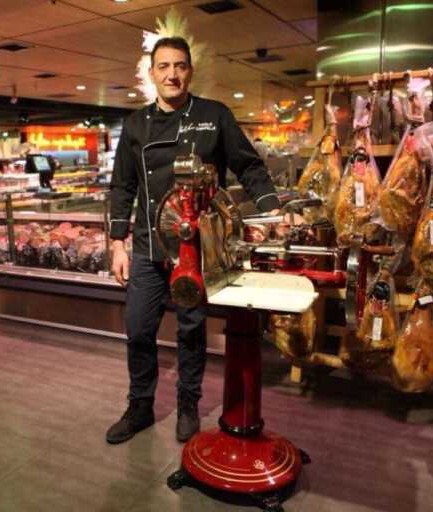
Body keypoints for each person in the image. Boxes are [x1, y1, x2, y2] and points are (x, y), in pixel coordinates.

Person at [106, 37, 280, 445]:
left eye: (180, 66)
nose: (172, 74)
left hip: (196, 248)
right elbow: (123, 186)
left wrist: (272, 210)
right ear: (151, 73)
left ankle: (188, 404)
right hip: (148, 247)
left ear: (190, 71)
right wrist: (117, 243)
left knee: (191, 330)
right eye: (164, 66)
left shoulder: (213, 116)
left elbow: (248, 166)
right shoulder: (135, 125)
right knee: (138, 330)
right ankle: (140, 406)